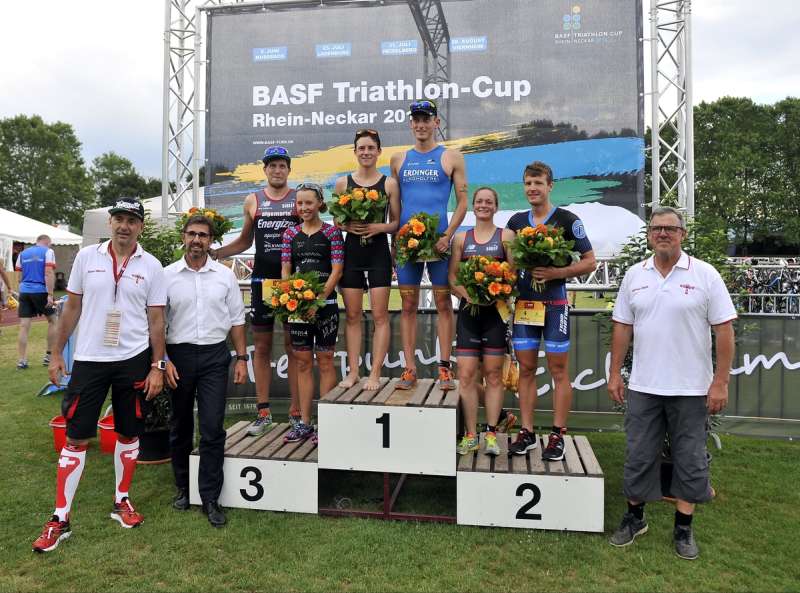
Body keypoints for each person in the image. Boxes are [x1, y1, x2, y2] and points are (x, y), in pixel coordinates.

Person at [33, 198, 167, 553]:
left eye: (132, 221)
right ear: (110, 223)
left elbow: (156, 321)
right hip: (90, 359)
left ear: (140, 226)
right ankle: (60, 518)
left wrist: (157, 366)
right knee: (76, 437)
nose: (125, 226)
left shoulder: (152, 265)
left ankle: (122, 501)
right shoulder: (85, 258)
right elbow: (72, 307)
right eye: (119, 219)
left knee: (128, 431)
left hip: (133, 360)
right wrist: (57, 353)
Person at [607, 206, 736, 560]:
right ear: (649, 234)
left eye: (670, 228)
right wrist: (615, 372)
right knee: (638, 455)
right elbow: (622, 326)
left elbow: (724, 330)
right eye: (657, 228)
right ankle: (635, 520)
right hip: (644, 386)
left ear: (683, 234)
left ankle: (683, 529)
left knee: (690, 460)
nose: (663, 233)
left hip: (692, 389)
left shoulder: (706, 275)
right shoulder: (635, 275)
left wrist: (720, 381)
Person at [506, 161, 596, 460]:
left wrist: (556, 274)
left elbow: (589, 262)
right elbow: (508, 263)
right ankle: (528, 432)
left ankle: (557, 435)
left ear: (550, 186)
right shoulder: (516, 222)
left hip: (555, 305)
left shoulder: (568, 220)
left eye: (538, 183)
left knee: (558, 371)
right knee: (527, 370)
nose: (532, 188)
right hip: (525, 306)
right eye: (528, 183)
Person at [163, 214, 248, 528]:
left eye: (203, 235)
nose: (197, 240)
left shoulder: (224, 277)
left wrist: (241, 358)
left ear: (212, 241)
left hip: (214, 356)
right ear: (184, 237)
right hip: (179, 357)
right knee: (180, 425)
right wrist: (163, 362)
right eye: (191, 234)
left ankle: (210, 496)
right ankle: (184, 488)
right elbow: (157, 325)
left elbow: (237, 320)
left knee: (212, 427)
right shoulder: (166, 275)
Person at [213, 146, 300, 435]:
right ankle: (263, 413)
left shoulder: (299, 199)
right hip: (263, 282)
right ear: (265, 170)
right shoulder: (253, 200)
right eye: (272, 166)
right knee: (261, 348)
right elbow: (244, 241)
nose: (277, 170)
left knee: (294, 347)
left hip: (293, 284)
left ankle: (297, 414)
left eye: (282, 166)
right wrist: (217, 252)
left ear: (289, 169)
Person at [390, 99, 467, 391]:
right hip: (407, 244)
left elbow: (462, 202)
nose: (421, 124)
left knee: (444, 303)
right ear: (411, 124)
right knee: (408, 304)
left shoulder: (452, 157)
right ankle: (409, 369)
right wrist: (393, 240)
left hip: (439, 244)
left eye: (427, 119)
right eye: (416, 120)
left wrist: (447, 235)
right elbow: (395, 206)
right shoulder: (398, 160)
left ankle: (445, 368)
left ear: (436, 123)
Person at [449, 187, 517, 456]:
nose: (484, 205)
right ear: (473, 206)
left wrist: (496, 291)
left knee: (492, 376)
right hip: (469, 314)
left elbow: (513, 273)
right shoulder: (461, 238)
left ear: (496, 207)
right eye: (479, 201)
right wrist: (469, 295)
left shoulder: (506, 236)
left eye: (489, 201)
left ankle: (490, 433)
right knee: (465, 376)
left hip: (495, 315)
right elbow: (453, 278)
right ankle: (469, 434)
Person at [335, 129, 400, 390]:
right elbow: (337, 221)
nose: (366, 152)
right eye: (361, 148)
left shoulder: (389, 184)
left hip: (378, 254)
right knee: (352, 315)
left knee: (380, 316)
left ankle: (374, 373)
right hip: (352, 253)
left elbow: (396, 222)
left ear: (378, 152)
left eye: (370, 148)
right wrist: (348, 225)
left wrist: (378, 228)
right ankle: (353, 372)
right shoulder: (343, 184)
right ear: (355, 152)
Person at [280, 183, 344, 443]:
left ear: (320, 203)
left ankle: (326, 424)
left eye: (309, 203)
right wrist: (293, 297)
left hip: (325, 307)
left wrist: (319, 299)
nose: (304, 208)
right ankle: (304, 423)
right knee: (303, 363)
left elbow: (337, 269)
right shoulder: (289, 234)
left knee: (326, 361)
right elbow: (286, 270)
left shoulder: (332, 232)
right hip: (298, 308)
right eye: (300, 203)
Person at [15, 234, 58, 369]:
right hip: (40, 291)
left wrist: (21, 289)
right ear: (47, 242)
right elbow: (48, 273)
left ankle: (22, 360)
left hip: (25, 291)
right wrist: (50, 294)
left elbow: (19, 276)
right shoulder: (48, 251)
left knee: (24, 326)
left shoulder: (22, 254)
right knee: (53, 321)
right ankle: (48, 356)